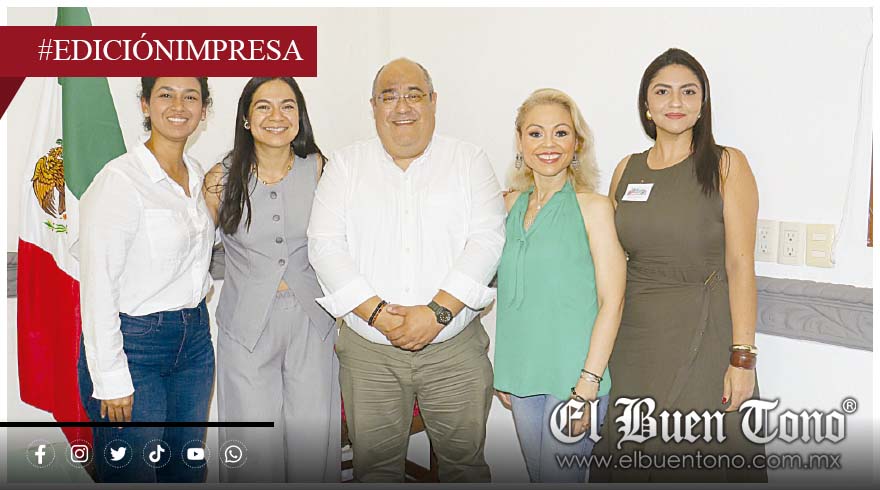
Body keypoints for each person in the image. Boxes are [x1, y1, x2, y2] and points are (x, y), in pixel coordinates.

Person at [307, 58, 505, 483]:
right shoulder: (345, 166)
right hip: (370, 354)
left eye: (414, 95)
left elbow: (487, 242)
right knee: (375, 472)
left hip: (454, 351)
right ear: (373, 106)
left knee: (465, 469)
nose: (402, 106)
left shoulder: (469, 161)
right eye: (389, 96)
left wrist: (436, 314)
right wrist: (378, 314)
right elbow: (325, 247)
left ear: (433, 101)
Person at [589, 48, 768, 482]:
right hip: (634, 342)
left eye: (688, 92)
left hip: (705, 335)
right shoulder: (626, 170)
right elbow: (607, 259)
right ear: (646, 104)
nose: (675, 102)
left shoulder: (727, 164)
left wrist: (742, 359)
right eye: (662, 91)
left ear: (703, 104)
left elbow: (741, 266)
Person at [77, 77, 214, 483]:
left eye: (191, 96)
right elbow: (98, 286)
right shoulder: (120, 180)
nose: (179, 105)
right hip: (135, 347)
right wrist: (110, 378)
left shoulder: (197, 174)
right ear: (144, 105)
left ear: (204, 109)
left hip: (194, 344)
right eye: (165, 95)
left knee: (185, 472)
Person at [202, 77, 339, 483]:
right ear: (246, 118)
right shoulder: (220, 178)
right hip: (246, 327)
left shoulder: (321, 169)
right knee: (251, 448)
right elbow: (195, 250)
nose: (276, 116)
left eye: (287, 105)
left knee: (313, 443)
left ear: (300, 115)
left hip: (313, 323)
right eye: (263, 106)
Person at [493, 88, 626, 482]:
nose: (548, 144)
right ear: (520, 142)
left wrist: (587, 386)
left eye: (561, 133)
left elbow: (613, 301)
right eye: (535, 133)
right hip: (521, 374)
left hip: (574, 378)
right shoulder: (506, 206)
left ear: (577, 143)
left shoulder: (595, 208)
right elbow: (509, 297)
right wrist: (505, 371)